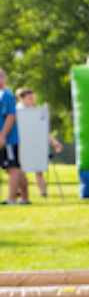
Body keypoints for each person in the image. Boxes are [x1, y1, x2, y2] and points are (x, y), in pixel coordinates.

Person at [16, 88, 63, 200]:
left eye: (34, 98)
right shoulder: (16, 111)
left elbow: (44, 130)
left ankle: (43, 193)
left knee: (39, 169)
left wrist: (54, 142)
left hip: (36, 144)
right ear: (21, 98)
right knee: (19, 171)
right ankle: (18, 191)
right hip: (21, 145)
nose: (33, 100)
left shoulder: (37, 111)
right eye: (30, 98)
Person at [0, 67, 22, 205]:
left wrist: (2, 135)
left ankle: (12, 199)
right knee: (9, 168)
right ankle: (19, 193)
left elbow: (10, 117)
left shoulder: (7, 95)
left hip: (9, 140)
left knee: (13, 168)